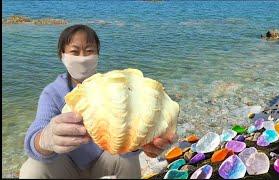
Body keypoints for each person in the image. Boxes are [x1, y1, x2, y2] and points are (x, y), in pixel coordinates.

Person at [19, 24, 176, 179]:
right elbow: (33, 141)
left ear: (97, 54)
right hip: (67, 166)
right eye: (74, 52)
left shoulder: (116, 88)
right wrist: (47, 139)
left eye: (89, 51)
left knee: (128, 161)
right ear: (62, 55)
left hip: (105, 161)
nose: (82, 58)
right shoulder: (53, 93)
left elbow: (130, 130)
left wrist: (145, 140)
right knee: (32, 169)